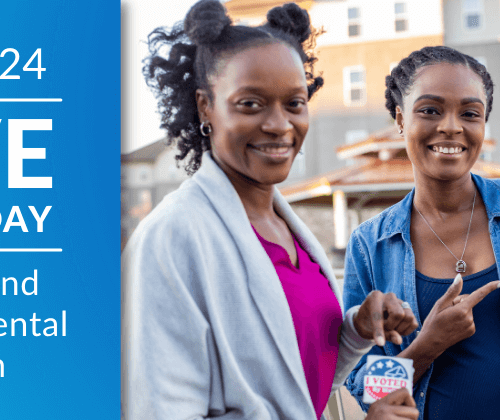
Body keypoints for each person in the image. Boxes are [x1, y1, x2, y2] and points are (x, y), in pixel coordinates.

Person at [122, 1, 420, 419]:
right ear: (206, 105)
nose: (280, 125)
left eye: (294, 103)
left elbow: (294, 383)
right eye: (251, 104)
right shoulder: (172, 238)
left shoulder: (287, 226)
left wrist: (355, 331)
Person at [342, 45, 500, 420]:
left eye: (470, 113)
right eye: (430, 110)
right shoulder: (371, 246)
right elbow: (366, 387)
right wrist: (427, 345)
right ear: (399, 119)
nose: (451, 126)